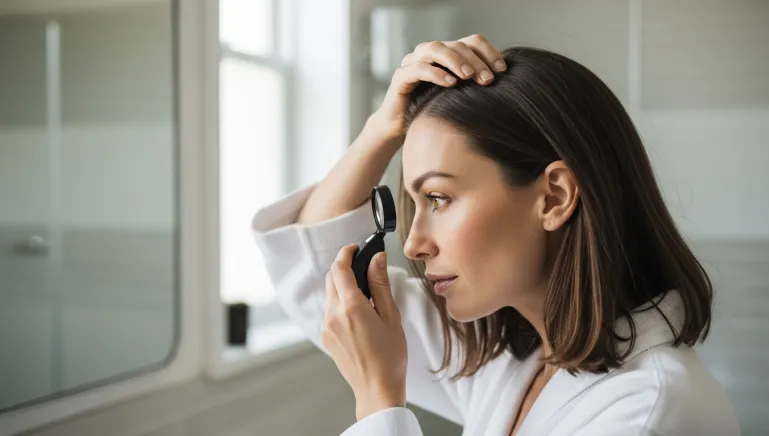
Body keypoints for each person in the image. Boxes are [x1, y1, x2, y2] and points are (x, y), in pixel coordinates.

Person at [251, 34, 740, 435]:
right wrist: (381, 128)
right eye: (414, 204)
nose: (415, 244)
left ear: (553, 198)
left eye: (439, 199)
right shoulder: (512, 359)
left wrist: (380, 403)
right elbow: (319, 273)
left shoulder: (647, 415)